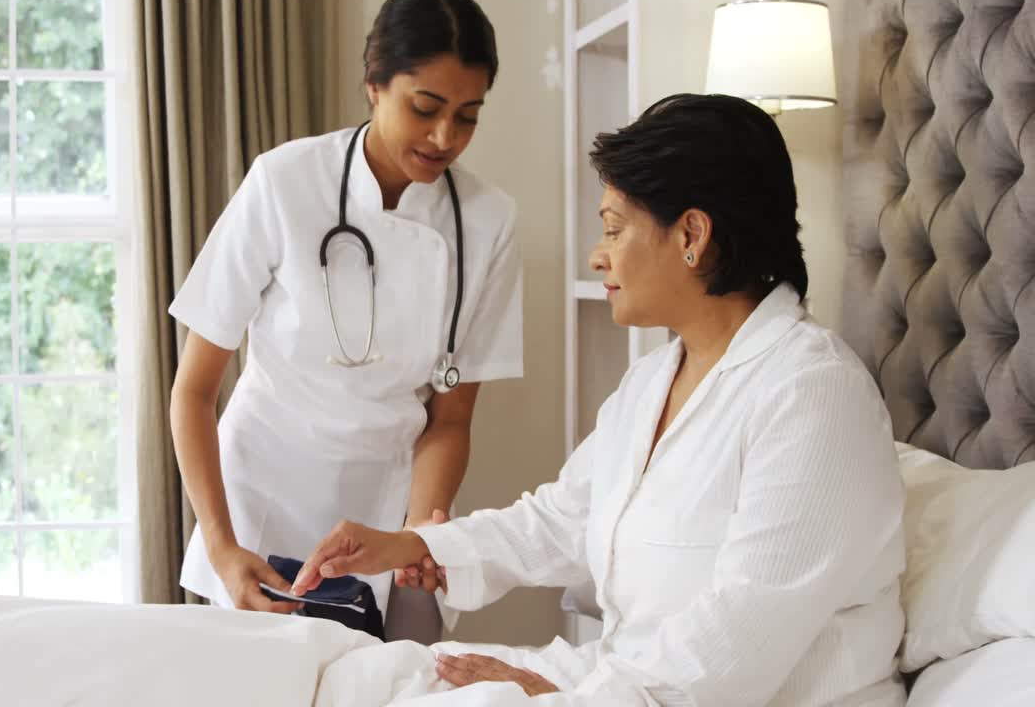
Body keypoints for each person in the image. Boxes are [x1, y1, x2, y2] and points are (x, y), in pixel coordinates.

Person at [294, 94, 908, 704]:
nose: (598, 254)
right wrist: (417, 545)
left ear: (692, 234)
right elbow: (566, 518)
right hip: (622, 681)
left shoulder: (814, 395)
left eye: (613, 228)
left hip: (710, 697)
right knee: (357, 678)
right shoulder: (653, 380)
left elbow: (739, 637)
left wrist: (554, 696)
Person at [167, 0, 522, 645]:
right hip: (262, 501)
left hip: (388, 506)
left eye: (468, 116)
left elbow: (450, 417)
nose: (446, 138)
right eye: (426, 109)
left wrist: (416, 536)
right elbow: (192, 390)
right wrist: (220, 542)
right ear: (373, 85)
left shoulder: (488, 222)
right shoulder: (284, 182)